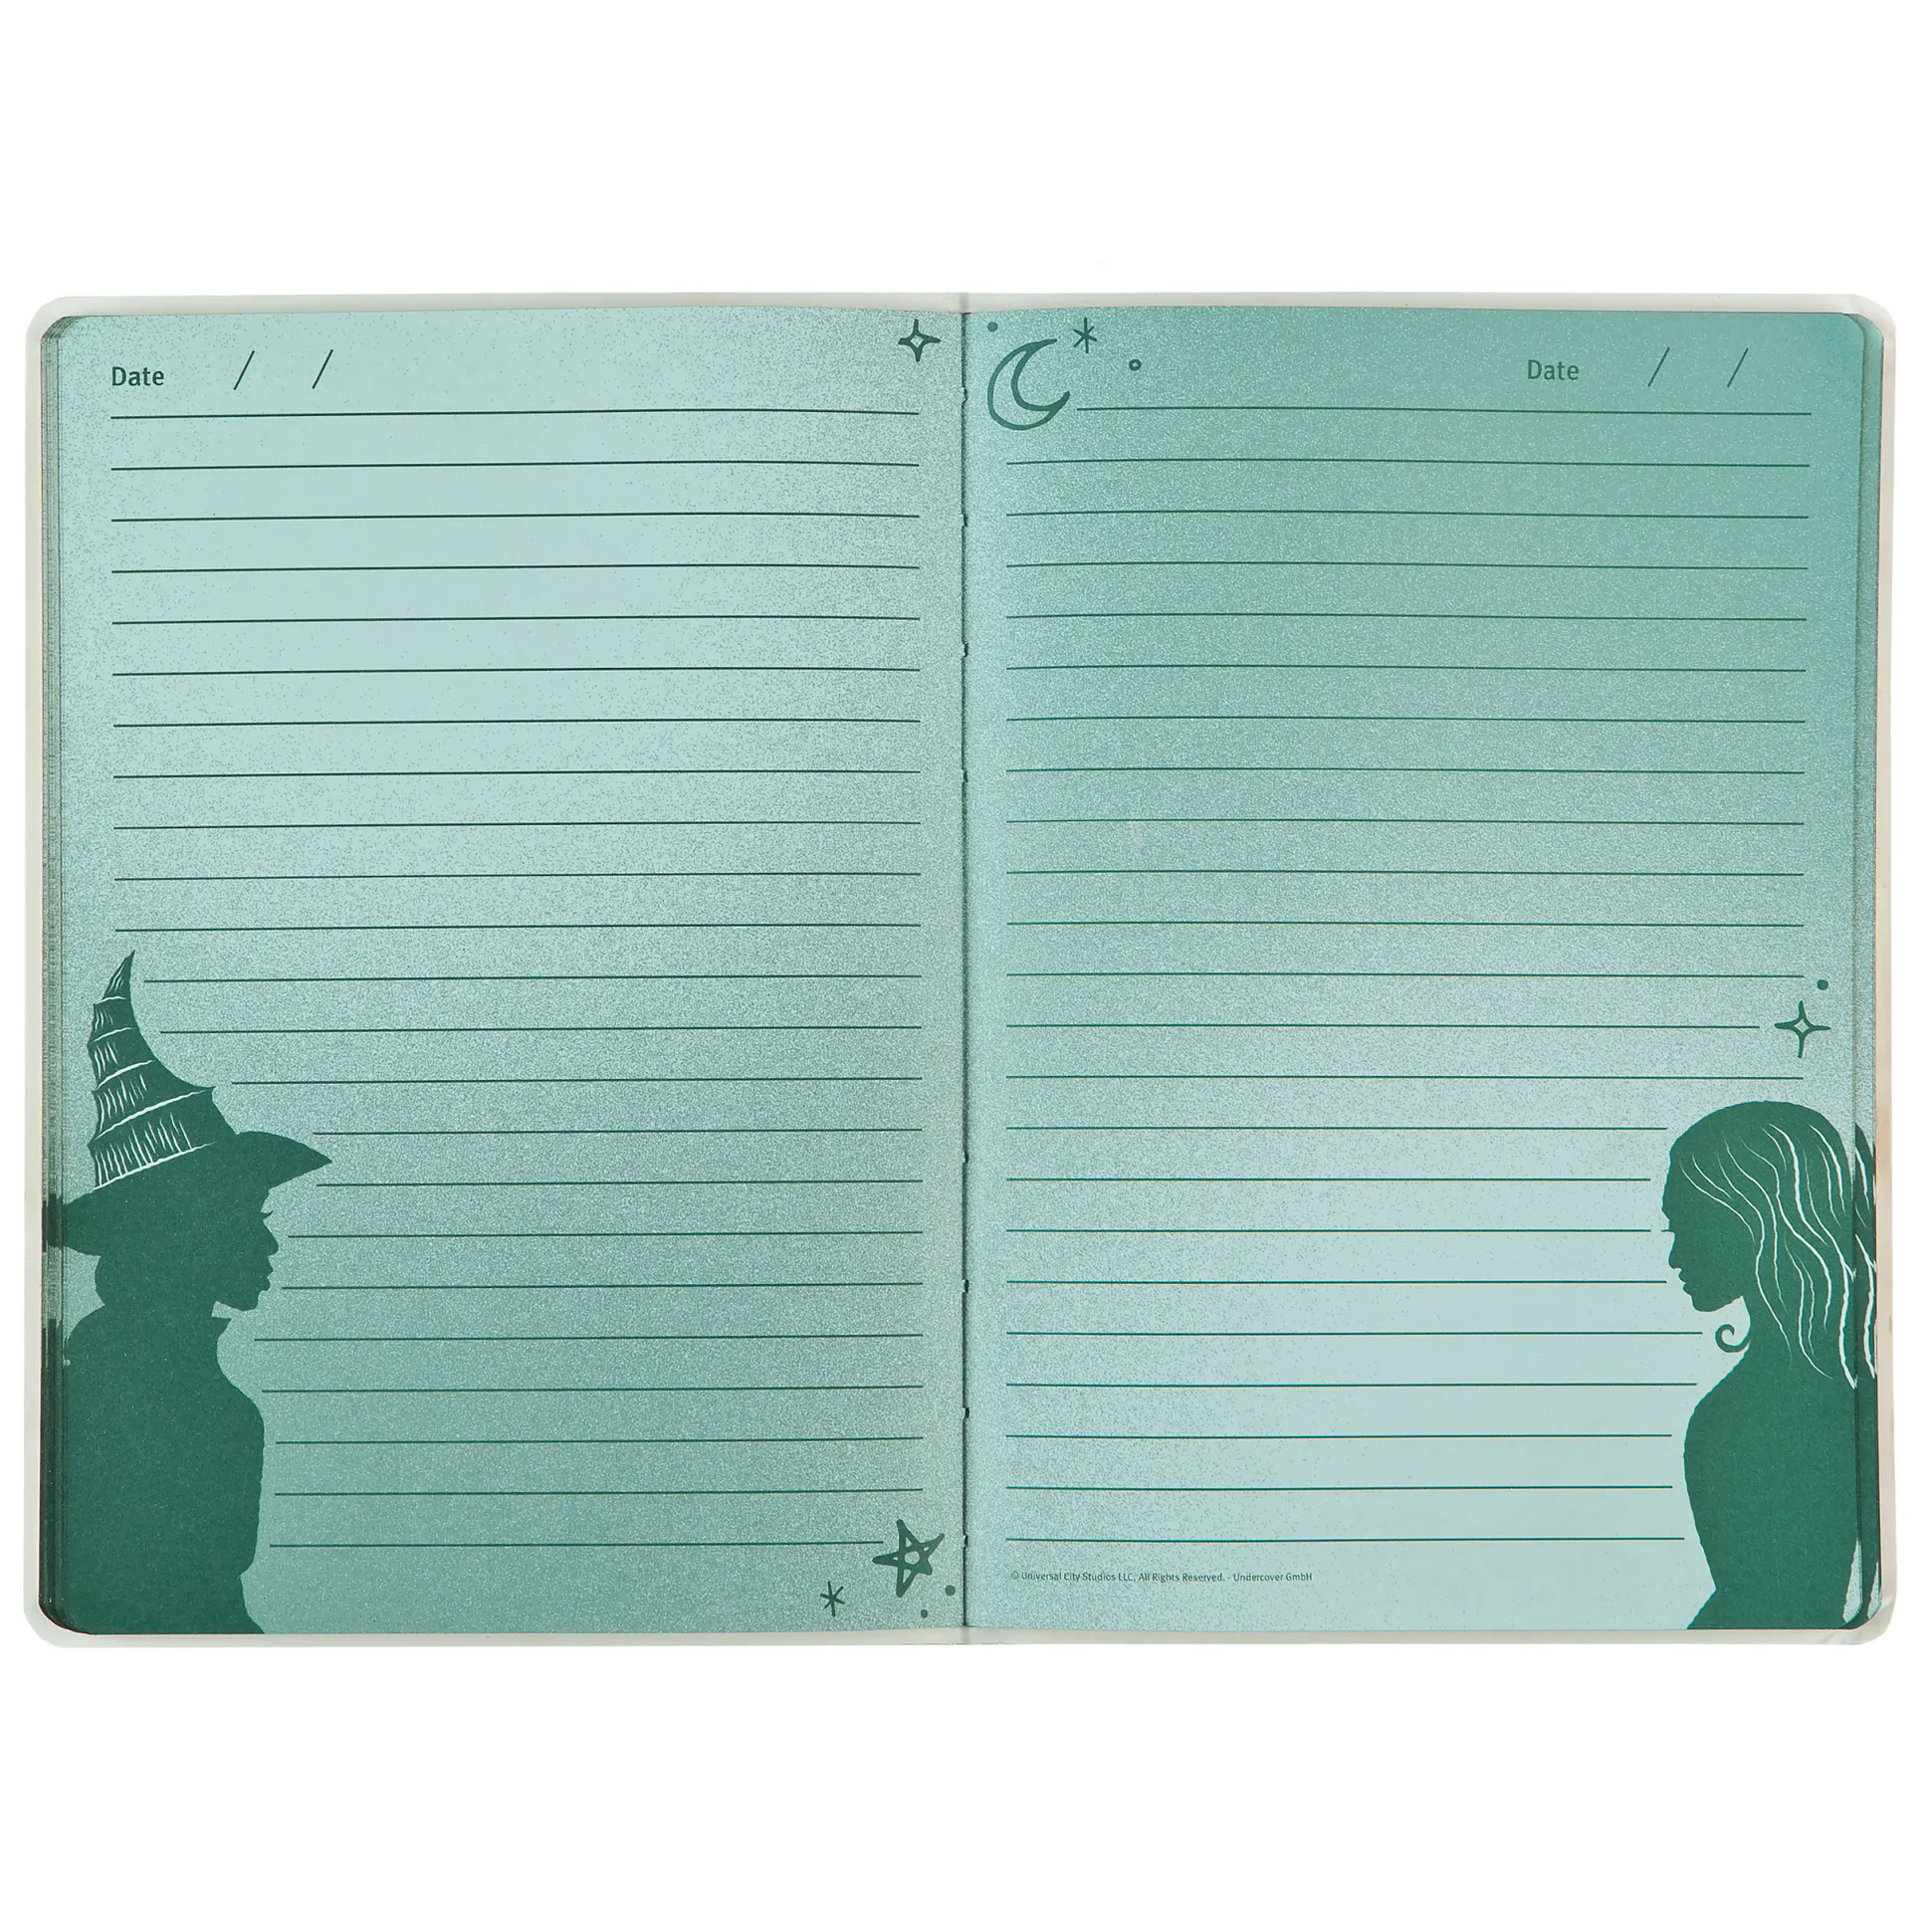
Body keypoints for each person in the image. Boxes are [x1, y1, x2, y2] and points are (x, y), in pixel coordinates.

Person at [43, 955, 327, 1633]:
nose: (268, 1244)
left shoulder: (97, 1382)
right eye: (247, 1217)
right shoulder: (185, 1407)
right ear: (182, 1232)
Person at [1662, 1101, 1879, 1628]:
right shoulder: (1851, 1394)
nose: (1675, 1257)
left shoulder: (1739, 1419)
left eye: (1689, 1226)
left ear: (1753, 1221)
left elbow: (1765, 1610)